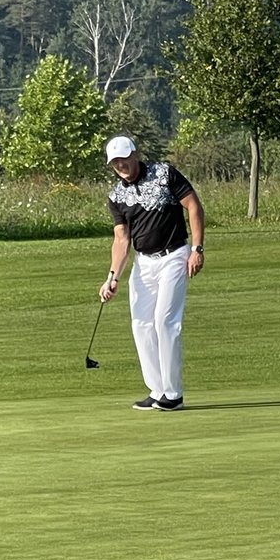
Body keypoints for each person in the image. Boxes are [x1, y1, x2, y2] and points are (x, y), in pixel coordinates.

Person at [98, 136, 205, 411]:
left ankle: (174, 393)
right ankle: (157, 390)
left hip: (175, 255)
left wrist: (197, 248)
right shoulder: (116, 196)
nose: (120, 165)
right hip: (144, 263)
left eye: (123, 159)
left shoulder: (164, 174)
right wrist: (113, 276)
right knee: (141, 324)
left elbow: (193, 205)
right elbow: (122, 239)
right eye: (115, 162)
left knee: (165, 321)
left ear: (135, 154)